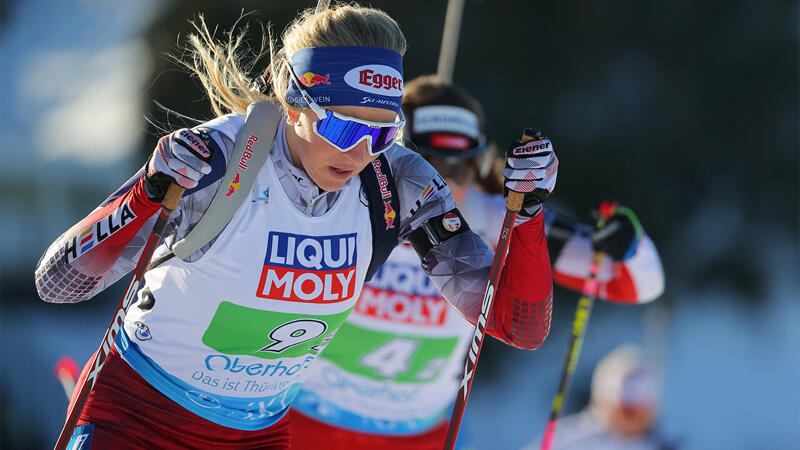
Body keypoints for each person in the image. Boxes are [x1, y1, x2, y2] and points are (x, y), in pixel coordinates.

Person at [34, 6, 558, 449]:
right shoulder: (223, 159)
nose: (358, 151)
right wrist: (146, 195)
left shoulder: (397, 181)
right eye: (341, 125)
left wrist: (528, 214)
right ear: (293, 101)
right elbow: (58, 283)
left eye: (382, 132)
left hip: (259, 433)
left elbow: (518, 326)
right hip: (141, 418)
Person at [289, 75, 665, 449]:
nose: (442, 181)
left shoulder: (494, 217)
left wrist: (627, 242)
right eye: (428, 161)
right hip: (308, 420)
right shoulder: (346, 196)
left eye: (460, 167)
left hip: (417, 434)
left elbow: (639, 283)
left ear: (480, 162)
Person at [523, 345, 676, 450]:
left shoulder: (662, 444)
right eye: (624, 408)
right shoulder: (569, 442)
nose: (631, 417)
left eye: (639, 409)